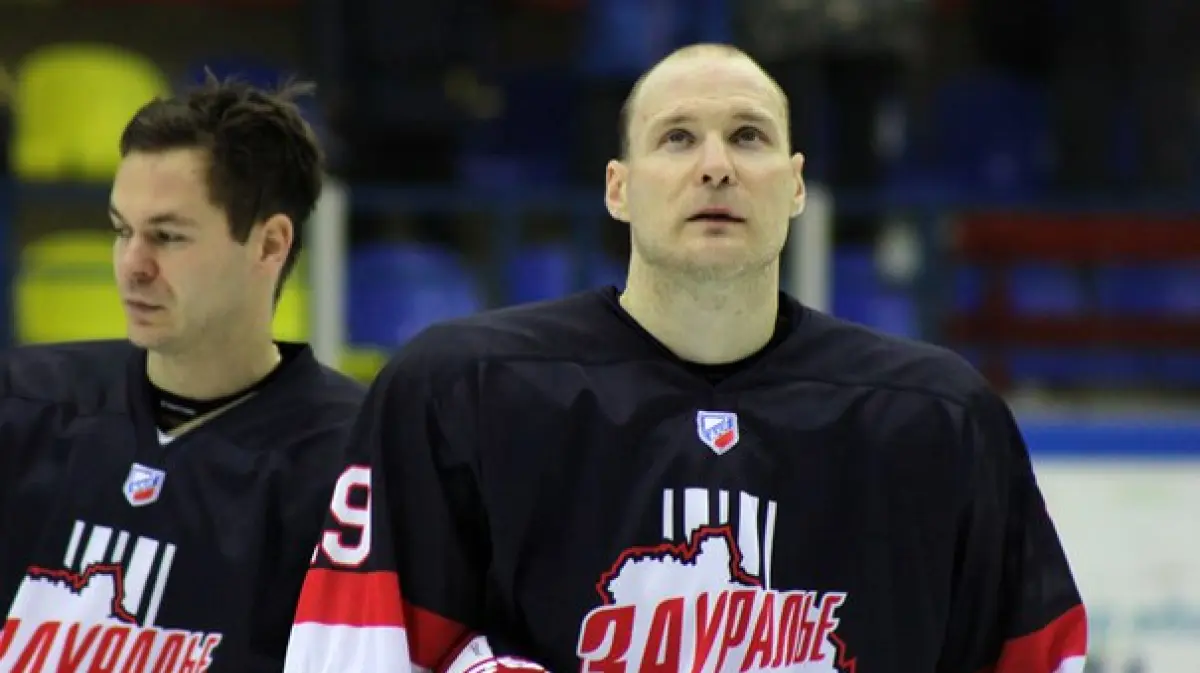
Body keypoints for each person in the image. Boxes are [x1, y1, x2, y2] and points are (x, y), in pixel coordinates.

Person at [285, 44, 1087, 673]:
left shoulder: (941, 416)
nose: (716, 165)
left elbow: (1035, 653)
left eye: (748, 136)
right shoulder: (458, 391)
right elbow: (353, 647)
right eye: (677, 138)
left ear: (796, 186)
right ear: (618, 188)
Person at [0, 76, 364, 672]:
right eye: (123, 231)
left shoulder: (350, 461)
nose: (132, 265)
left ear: (270, 244)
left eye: (167, 237)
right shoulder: (21, 404)